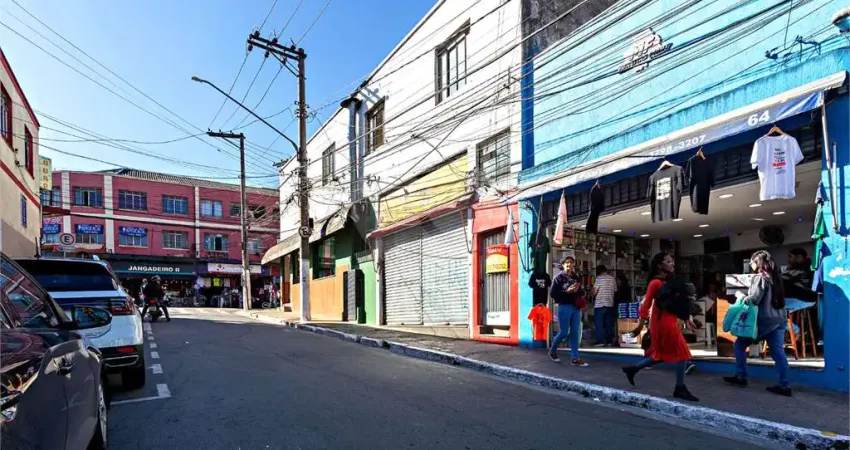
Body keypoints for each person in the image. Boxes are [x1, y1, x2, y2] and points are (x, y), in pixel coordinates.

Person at [621, 253, 699, 402]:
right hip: (662, 323)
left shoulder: (670, 281)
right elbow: (646, 305)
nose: (672, 264)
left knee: (661, 354)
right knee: (682, 353)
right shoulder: (655, 283)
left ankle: (633, 369)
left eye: (672, 261)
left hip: (669, 320)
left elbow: (679, 304)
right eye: (668, 262)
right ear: (659, 265)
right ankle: (680, 388)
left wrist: (687, 318)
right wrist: (640, 327)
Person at [724, 250, 791, 396]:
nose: (751, 264)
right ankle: (784, 385)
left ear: (758, 262)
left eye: (752, 262)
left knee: (739, 345)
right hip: (779, 319)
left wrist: (741, 296)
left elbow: (753, 300)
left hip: (764, 320)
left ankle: (741, 376)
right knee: (778, 353)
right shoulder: (776, 277)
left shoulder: (760, 278)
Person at [548, 256, 589, 367]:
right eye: (567, 263)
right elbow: (553, 294)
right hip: (564, 306)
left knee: (575, 332)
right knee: (564, 332)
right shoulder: (558, 278)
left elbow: (581, 291)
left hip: (576, 307)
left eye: (571, 263)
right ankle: (552, 351)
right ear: (563, 265)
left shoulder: (576, 277)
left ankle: (575, 358)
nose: (569, 265)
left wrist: (580, 291)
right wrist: (567, 291)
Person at [592, 265, 617, 347]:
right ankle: (609, 340)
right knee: (609, 323)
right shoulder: (612, 278)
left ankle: (600, 341)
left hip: (600, 304)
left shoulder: (599, 278)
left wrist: (590, 293)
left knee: (599, 323)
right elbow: (615, 290)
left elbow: (595, 292)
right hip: (610, 303)